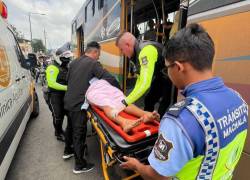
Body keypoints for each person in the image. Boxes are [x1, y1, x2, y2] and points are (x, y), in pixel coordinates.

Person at [120, 23, 248, 179]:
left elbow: (158, 176)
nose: (167, 72)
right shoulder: (239, 100)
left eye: (167, 67)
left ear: (179, 67)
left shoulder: (181, 120)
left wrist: (137, 166)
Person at [63, 41, 120, 174]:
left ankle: (68, 151)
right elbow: (109, 78)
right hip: (78, 104)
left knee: (70, 127)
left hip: (68, 100)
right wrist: (119, 92)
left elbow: (68, 79)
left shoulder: (74, 62)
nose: (98, 57)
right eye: (98, 54)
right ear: (94, 52)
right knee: (79, 133)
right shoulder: (93, 63)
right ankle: (79, 165)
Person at [116, 32, 172, 117]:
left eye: (121, 49)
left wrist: (125, 102)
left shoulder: (146, 51)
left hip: (172, 76)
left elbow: (145, 83)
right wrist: (127, 100)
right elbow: (139, 80)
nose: (122, 53)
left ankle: (159, 123)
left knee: (166, 102)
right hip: (161, 75)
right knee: (149, 99)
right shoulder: (136, 52)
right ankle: (148, 118)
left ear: (127, 45)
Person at [86, 78, 160, 132]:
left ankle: (144, 114)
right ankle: (123, 122)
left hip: (105, 85)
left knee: (124, 101)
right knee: (106, 103)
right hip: (92, 90)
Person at [45, 49, 72, 141]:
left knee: (68, 113)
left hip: (65, 95)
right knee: (58, 116)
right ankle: (58, 133)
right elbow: (52, 84)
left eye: (68, 57)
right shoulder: (52, 68)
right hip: (54, 95)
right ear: (58, 57)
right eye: (65, 57)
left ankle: (65, 131)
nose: (67, 59)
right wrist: (67, 88)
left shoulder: (65, 66)